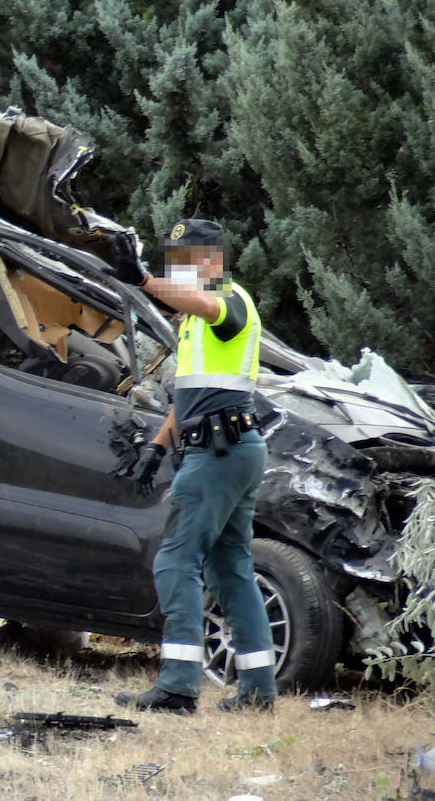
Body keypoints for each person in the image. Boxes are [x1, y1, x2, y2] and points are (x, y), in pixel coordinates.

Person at [108, 219, 277, 713]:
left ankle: (178, 687)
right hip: (228, 448)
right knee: (230, 569)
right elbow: (187, 400)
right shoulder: (191, 326)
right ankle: (257, 692)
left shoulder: (229, 301)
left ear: (212, 261)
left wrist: (140, 280)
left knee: (175, 560)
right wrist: (156, 449)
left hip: (219, 454)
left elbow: (204, 303)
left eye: (185, 260)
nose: (176, 270)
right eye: (171, 261)